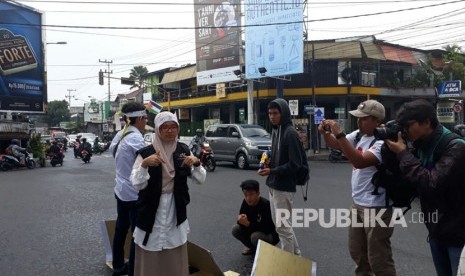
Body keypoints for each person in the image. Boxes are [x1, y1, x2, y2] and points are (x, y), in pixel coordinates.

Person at [384, 99, 465, 276]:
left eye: (408, 125)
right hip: (437, 230)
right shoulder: (421, 145)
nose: (404, 130)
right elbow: (404, 181)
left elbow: (431, 183)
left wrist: (403, 154)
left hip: (459, 235)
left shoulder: (456, 147)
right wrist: (391, 152)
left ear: (426, 122)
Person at [319, 99, 396, 276]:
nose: (359, 122)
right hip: (358, 204)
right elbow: (337, 145)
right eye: (358, 118)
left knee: (379, 258)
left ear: (377, 121)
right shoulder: (360, 135)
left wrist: (339, 135)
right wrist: (326, 133)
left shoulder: (383, 141)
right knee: (358, 253)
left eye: (364, 119)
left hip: (377, 206)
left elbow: (359, 161)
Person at [130, 111, 200, 276]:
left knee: (174, 250)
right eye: (165, 127)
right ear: (157, 130)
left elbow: (199, 179)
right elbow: (137, 184)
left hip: (175, 208)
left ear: (178, 128)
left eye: (173, 127)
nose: (169, 131)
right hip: (150, 209)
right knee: (150, 250)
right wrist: (144, 165)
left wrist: (196, 163)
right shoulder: (146, 153)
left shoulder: (183, 149)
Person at [257, 98, 307, 256]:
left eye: (275, 113)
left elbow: (295, 164)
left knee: (282, 226)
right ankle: (296, 255)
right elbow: (279, 156)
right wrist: (268, 163)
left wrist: (272, 171)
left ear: (283, 113)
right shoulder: (277, 130)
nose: (272, 116)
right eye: (270, 113)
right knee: (281, 225)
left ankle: (287, 263)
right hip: (273, 185)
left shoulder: (290, 133)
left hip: (284, 187)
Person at [109, 102, 148, 276]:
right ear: (139, 118)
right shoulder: (136, 138)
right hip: (133, 194)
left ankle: (118, 265)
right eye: (145, 118)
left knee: (121, 228)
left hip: (121, 190)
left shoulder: (120, 134)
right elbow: (150, 160)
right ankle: (133, 270)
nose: (146, 122)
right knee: (136, 234)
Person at [231, 179, 279, 255]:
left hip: (269, 234)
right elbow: (241, 221)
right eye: (246, 195)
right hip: (253, 230)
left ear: (258, 193)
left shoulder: (265, 205)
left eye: (251, 194)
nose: (248, 198)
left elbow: (267, 228)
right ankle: (252, 248)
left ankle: (267, 251)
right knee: (235, 229)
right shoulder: (245, 202)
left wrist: (248, 224)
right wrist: (240, 220)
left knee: (255, 236)